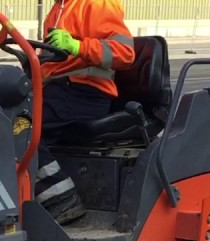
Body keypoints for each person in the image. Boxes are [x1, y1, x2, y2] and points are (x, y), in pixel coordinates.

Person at [35, 0, 136, 224]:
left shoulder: (97, 4)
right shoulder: (58, 9)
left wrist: (78, 46)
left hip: (86, 92)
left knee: (23, 127)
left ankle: (61, 199)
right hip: (57, 89)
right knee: (6, 116)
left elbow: (125, 53)